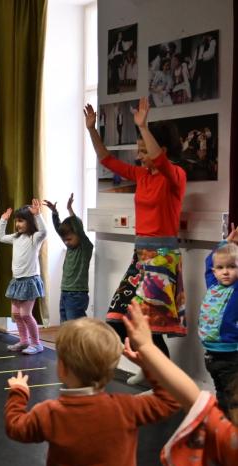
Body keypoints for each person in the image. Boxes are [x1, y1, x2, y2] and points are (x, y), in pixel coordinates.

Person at [4, 315, 179, 466]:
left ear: (62, 368)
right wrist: (147, 365)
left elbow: (16, 427)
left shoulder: (50, 412)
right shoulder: (127, 408)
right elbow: (170, 399)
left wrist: (18, 394)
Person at [84, 98, 187, 384]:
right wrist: (92, 130)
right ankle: (149, 368)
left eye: (144, 151)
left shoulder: (175, 176)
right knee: (117, 318)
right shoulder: (142, 176)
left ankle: (162, 382)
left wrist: (142, 126)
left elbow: (161, 162)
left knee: (151, 327)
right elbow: (106, 159)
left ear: (161, 150)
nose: (139, 156)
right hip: (140, 256)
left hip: (163, 258)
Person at [121, 303, 237, 466]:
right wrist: (147, 350)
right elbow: (193, 396)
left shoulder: (232, 446)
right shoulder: (232, 445)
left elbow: (192, 397)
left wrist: (148, 348)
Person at [197, 225, 238, 418]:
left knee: (233, 397)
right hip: (211, 355)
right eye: (220, 268)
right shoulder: (213, 285)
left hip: (230, 354)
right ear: (214, 271)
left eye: (232, 267)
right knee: (221, 392)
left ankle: (231, 427)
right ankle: (224, 423)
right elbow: (209, 261)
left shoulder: (236, 289)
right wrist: (225, 243)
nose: (225, 272)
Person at [0, 201, 48, 355]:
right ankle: (24, 341)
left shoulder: (35, 238)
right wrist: (3, 220)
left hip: (29, 281)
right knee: (16, 314)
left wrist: (38, 215)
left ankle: (36, 344)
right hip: (17, 281)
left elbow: (44, 232)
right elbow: (0, 237)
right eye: (16, 221)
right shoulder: (15, 237)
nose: (17, 224)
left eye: (21, 221)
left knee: (25, 314)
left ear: (30, 222)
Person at [43, 194, 93, 322]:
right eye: (64, 239)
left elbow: (78, 228)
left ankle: (87, 335)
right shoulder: (70, 247)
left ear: (78, 234)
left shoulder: (85, 247)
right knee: (65, 325)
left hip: (77, 294)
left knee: (75, 326)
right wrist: (54, 213)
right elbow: (58, 229)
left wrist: (69, 209)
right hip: (65, 292)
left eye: (69, 239)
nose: (66, 242)